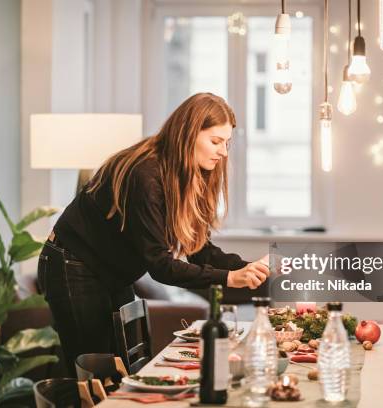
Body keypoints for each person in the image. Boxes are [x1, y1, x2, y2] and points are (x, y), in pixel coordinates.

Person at [38, 93, 270, 374]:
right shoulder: (145, 175)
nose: (223, 152)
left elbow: (198, 249)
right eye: (215, 141)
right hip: (72, 264)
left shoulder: (185, 174)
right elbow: (160, 266)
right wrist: (229, 278)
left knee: (121, 368)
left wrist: (248, 268)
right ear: (188, 134)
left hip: (112, 271)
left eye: (227, 143)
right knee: (94, 371)